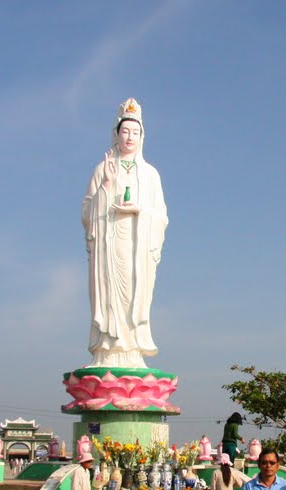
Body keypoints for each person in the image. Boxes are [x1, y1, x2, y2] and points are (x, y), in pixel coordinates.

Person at [81, 97, 169, 369]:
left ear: (142, 136)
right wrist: (107, 185)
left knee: (135, 293)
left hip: (137, 247)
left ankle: (132, 349)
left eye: (135, 132)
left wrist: (140, 209)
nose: (129, 137)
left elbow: (162, 216)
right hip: (109, 246)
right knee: (109, 294)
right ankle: (108, 349)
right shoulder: (102, 169)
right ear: (116, 134)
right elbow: (86, 212)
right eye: (125, 131)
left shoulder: (150, 174)